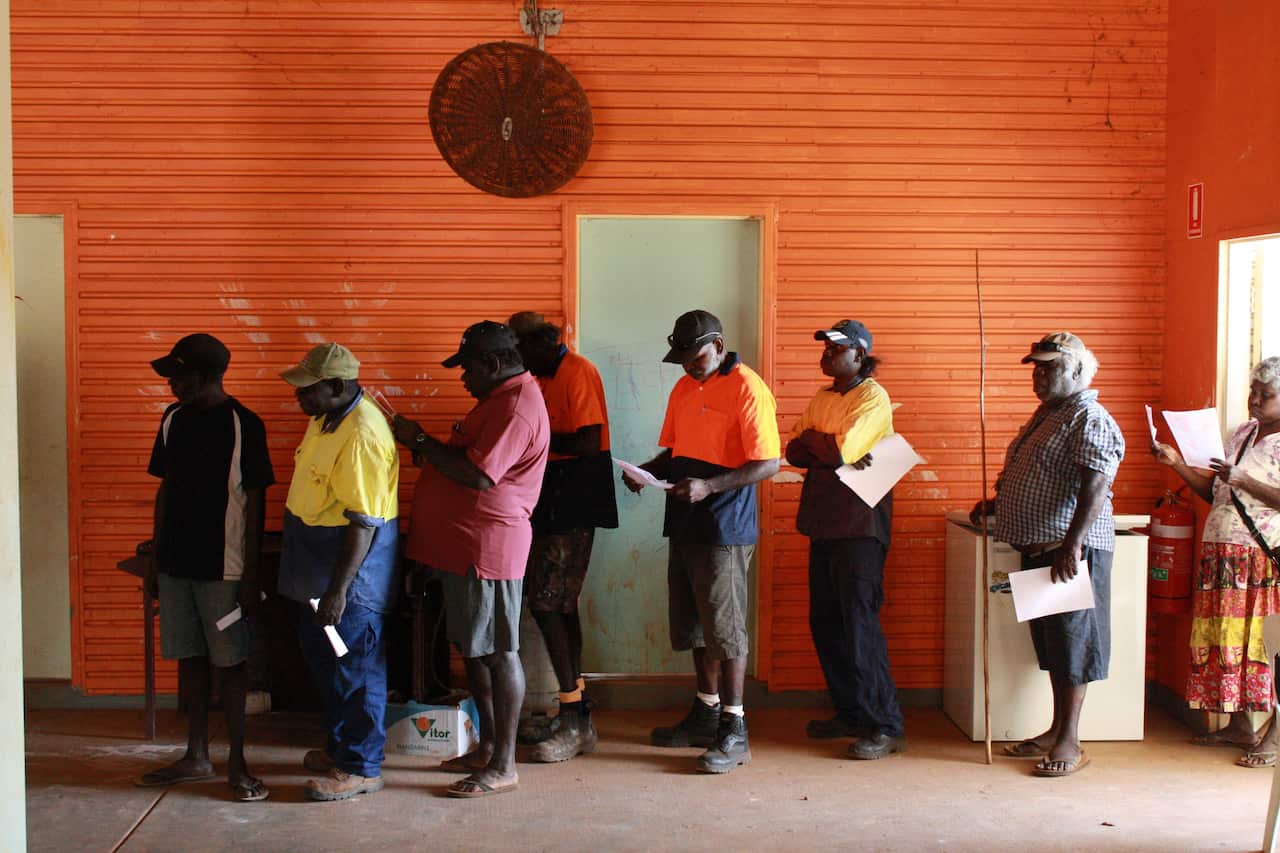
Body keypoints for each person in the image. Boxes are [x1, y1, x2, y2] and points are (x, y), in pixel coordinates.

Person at [394, 321, 550, 797]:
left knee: (499, 651)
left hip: (488, 550)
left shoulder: (517, 407)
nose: (462, 378)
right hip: (464, 549)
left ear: (494, 364)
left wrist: (420, 442)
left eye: (467, 369)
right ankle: (486, 747)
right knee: (478, 650)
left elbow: (481, 476)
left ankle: (503, 763)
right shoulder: (498, 401)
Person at [623, 309, 780, 774]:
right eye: (684, 358)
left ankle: (735, 730)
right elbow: (677, 451)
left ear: (719, 344)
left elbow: (768, 463)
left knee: (726, 629)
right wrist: (649, 471)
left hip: (724, 525)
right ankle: (705, 713)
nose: (690, 365)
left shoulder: (748, 387)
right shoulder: (685, 387)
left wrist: (709, 487)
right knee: (695, 625)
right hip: (685, 519)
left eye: (697, 356)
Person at [970, 331, 1124, 777]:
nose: (1038, 375)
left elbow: (1095, 484)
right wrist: (999, 503)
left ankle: (1070, 742)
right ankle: (1055, 729)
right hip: (1041, 547)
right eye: (1036, 367)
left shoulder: (1088, 416)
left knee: (1074, 646)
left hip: (1067, 550)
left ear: (1076, 370)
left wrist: (1072, 545)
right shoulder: (1048, 415)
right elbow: (1040, 476)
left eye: (1049, 367)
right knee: (1054, 646)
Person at [137, 333, 274, 802]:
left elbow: (256, 500)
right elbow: (165, 488)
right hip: (176, 564)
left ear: (209, 376)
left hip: (225, 569)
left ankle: (238, 764)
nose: (173, 385)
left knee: (231, 664)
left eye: (181, 376)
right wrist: (156, 557)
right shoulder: (172, 418)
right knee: (190, 658)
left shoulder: (243, 424)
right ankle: (196, 755)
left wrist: (250, 576)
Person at [278, 342, 400, 801]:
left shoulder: (363, 434)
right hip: (313, 565)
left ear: (337, 385)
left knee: (356, 666)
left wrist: (338, 591)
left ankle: (362, 767)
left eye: (307, 390)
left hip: (346, 573)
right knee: (328, 663)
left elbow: (363, 524)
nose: (299, 398)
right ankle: (340, 747)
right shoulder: (325, 419)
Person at [786, 319, 906, 760]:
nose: (827, 354)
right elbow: (792, 449)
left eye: (836, 349)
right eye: (825, 348)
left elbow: (841, 451)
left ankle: (885, 724)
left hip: (860, 528)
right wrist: (822, 444)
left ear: (860, 355)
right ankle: (852, 711)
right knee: (828, 623)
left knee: (859, 626)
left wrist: (820, 443)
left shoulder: (873, 397)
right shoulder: (824, 397)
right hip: (824, 523)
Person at [1153, 356, 1280, 768]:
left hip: (1261, 560)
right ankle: (1240, 724)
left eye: (1266, 395)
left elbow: (1245, 487)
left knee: (1263, 645)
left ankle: (1275, 735)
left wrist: (1244, 479)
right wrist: (1176, 465)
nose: (1255, 401)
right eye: (1253, 392)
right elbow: (1216, 493)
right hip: (1221, 559)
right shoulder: (1241, 433)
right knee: (1228, 642)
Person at [507, 311, 618, 762]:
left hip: (574, 498)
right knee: (555, 605)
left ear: (541, 342)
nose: (516, 360)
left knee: (549, 605)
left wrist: (533, 442)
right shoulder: (538, 377)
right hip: (551, 498)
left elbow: (589, 443)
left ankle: (575, 719)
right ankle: (575, 711)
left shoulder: (577, 372)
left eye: (519, 350)